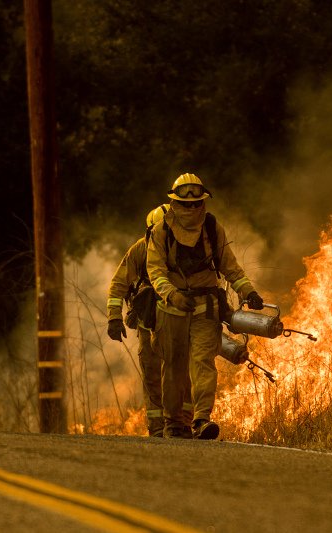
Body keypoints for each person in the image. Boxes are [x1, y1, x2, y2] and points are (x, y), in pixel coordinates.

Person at [147, 172, 264, 439]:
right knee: (174, 367)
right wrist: (172, 295)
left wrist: (248, 291)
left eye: (196, 203)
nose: (191, 209)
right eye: (185, 204)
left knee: (203, 362)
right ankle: (174, 422)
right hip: (171, 311)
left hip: (205, 309)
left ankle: (201, 419)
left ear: (203, 203)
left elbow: (230, 266)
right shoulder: (160, 231)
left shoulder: (211, 227)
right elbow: (155, 271)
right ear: (175, 203)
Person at [106, 205, 193, 437]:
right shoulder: (140, 249)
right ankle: (157, 427)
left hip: (179, 321)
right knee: (152, 371)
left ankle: (184, 424)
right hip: (149, 322)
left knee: (181, 371)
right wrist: (114, 317)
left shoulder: (187, 246)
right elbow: (118, 284)